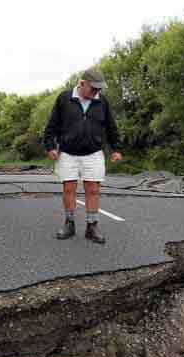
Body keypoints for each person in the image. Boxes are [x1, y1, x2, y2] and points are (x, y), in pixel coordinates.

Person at [43, 68, 122, 244]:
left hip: (93, 153)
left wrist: (116, 149)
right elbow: (51, 126)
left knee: (93, 190)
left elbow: (111, 127)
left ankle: (92, 226)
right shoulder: (64, 98)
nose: (96, 92)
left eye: (99, 89)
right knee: (69, 188)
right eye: (93, 88)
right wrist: (50, 147)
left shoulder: (102, 101)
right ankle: (69, 224)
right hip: (68, 153)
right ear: (82, 83)